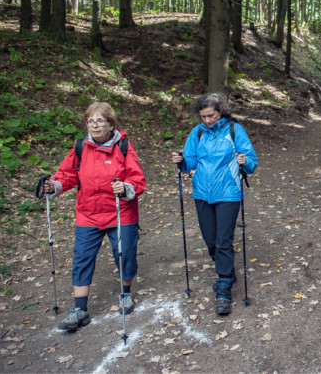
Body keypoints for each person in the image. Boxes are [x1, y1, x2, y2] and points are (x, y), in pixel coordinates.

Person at [44, 102, 146, 332]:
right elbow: (67, 176)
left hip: (121, 212)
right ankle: (80, 309)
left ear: (110, 124)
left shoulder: (123, 147)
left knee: (125, 253)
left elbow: (137, 179)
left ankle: (125, 294)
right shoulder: (80, 147)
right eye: (90, 121)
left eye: (100, 120)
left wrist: (125, 187)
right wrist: (54, 186)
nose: (94, 125)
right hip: (88, 213)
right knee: (82, 257)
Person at [171, 93, 257, 315]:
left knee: (223, 240)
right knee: (210, 240)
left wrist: (245, 161)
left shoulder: (234, 130)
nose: (208, 120)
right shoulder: (197, 133)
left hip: (228, 192)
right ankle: (226, 270)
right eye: (203, 116)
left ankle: (224, 286)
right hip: (202, 193)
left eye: (211, 115)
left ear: (221, 111)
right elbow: (190, 161)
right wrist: (181, 161)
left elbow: (251, 160)